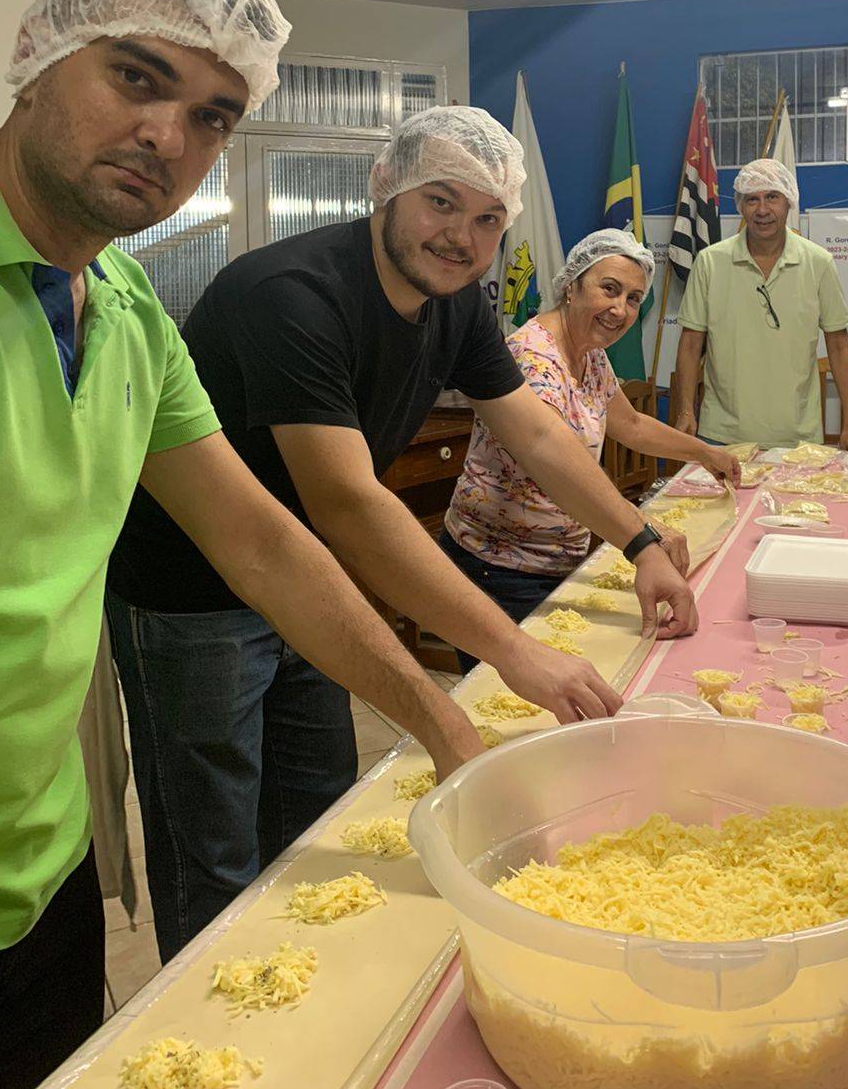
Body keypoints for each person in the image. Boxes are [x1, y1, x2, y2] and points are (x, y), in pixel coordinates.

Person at [0, 0, 493, 1089]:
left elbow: (266, 540)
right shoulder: (280, 297)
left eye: (214, 114)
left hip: (41, 861)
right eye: (136, 76)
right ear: (33, 51)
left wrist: (445, 724)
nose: (169, 136)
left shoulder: (124, 311)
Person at [108, 114, 696, 962]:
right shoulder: (295, 295)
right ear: (385, 184)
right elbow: (348, 503)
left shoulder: (453, 305)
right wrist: (512, 654)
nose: (461, 236)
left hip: (310, 584)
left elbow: (536, 435)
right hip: (192, 600)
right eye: (441, 203)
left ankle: (304, 986)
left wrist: (640, 542)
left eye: (488, 218)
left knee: (316, 812)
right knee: (216, 851)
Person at [441, 229, 741, 666]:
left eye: (634, 298)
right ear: (571, 285)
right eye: (610, 289)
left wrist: (705, 453)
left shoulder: (590, 352)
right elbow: (557, 470)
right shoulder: (535, 360)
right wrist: (645, 536)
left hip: (555, 561)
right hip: (497, 569)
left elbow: (631, 425)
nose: (620, 309)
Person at [672, 157, 848, 450]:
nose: (762, 210)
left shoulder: (818, 262)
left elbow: (838, 344)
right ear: (740, 206)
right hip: (722, 435)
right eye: (752, 199)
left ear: (789, 202)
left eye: (772, 197)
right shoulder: (710, 262)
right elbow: (690, 343)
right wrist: (686, 411)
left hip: (797, 437)